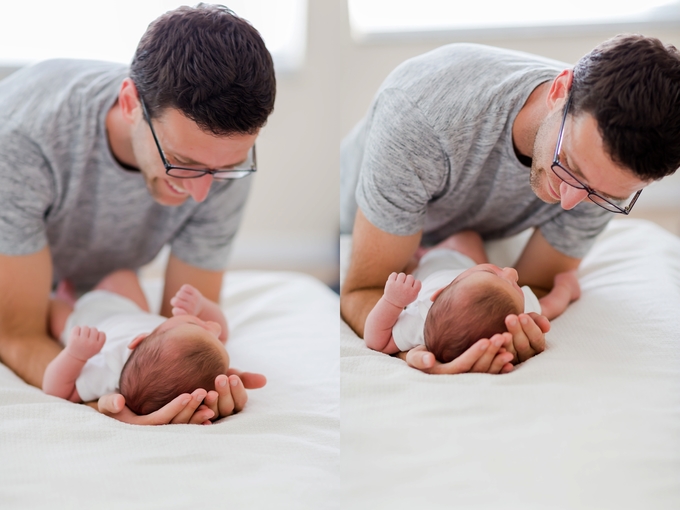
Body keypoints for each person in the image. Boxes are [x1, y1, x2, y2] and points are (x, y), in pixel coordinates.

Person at [0, 4, 275, 424]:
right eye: (182, 162)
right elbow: (17, 334)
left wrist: (195, 385)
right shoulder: (24, 140)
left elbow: (177, 323)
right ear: (130, 103)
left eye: (222, 170)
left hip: (96, 293)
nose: (201, 193)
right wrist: (110, 395)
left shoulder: (221, 159)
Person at [340, 35, 680, 374]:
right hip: (365, 224)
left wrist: (507, 333)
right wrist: (419, 351)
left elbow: (535, 286)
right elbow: (362, 291)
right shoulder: (422, 121)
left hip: (466, 248)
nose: (570, 201)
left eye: (604, 195)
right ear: (560, 91)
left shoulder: (601, 177)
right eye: (570, 165)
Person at [42, 270, 247, 421]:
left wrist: (74, 354)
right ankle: (79, 292)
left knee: (53, 311)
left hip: (85, 323)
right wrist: (202, 305)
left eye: (196, 322)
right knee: (125, 276)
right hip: (129, 308)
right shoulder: (182, 343)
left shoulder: (109, 372)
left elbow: (56, 390)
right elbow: (223, 333)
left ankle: (63, 296)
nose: (213, 326)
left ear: (139, 339)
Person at [364, 231, 580, 367]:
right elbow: (550, 306)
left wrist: (392, 301)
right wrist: (566, 289)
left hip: (435, 264)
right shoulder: (521, 312)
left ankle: (424, 252)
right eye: (515, 286)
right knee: (471, 239)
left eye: (497, 275)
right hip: (466, 261)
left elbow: (376, 341)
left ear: (437, 294)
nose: (512, 272)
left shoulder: (420, 321)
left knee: (463, 238)